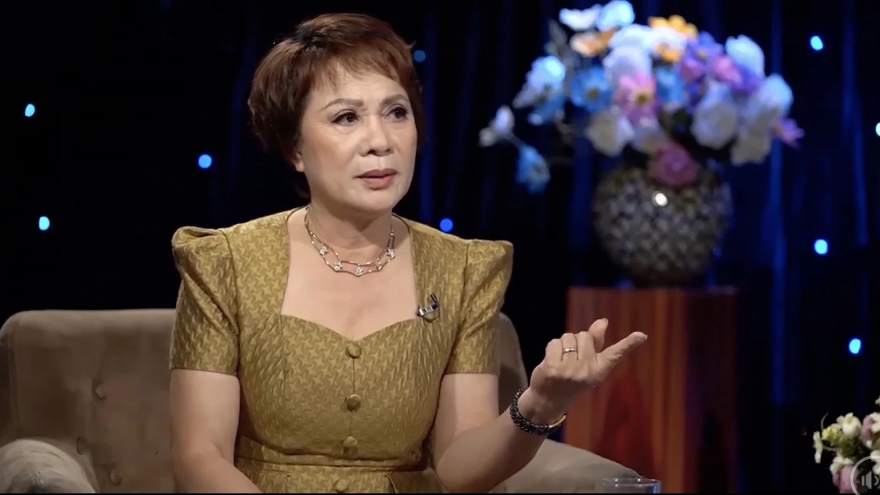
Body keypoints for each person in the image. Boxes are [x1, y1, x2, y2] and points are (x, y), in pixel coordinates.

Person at [167, 12, 647, 494]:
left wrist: (540, 403)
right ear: (294, 147)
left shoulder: (464, 270)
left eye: (397, 112)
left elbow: (459, 468)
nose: (380, 142)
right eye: (347, 117)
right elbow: (199, 456)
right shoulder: (225, 263)